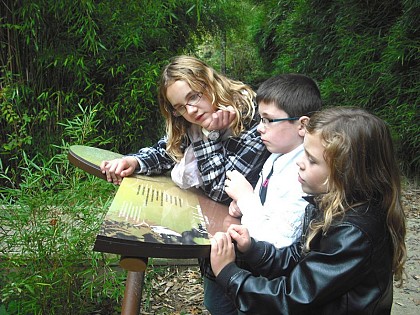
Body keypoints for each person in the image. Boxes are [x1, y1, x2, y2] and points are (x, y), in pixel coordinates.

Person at [210, 107, 407, 314]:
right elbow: (300, 259)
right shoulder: (331, 205)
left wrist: (228, 274)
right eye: (304, 152)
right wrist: (254, 249)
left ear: (347, 172)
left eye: (312, 160)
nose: (300, 162)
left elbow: (292, 296)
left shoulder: (353, 232)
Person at [203, 74, 322, 315]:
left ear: (302, 125)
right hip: (252, 260)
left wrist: (246, 199)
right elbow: (265, 205)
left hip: (270, 276)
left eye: (268, 120)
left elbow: (280, 241)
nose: (260, 128)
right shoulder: (277, 157)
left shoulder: (304, 174)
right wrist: (242, 205)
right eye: (260, 119)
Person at [100, 55, 270, 204]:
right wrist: (134, 161)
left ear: (211, 84)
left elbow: (220, 192)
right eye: (180, 107)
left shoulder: (256, 119)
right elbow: (167, 151)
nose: (190, 111)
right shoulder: (192, 120)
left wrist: (210, 136)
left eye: (193, 97)